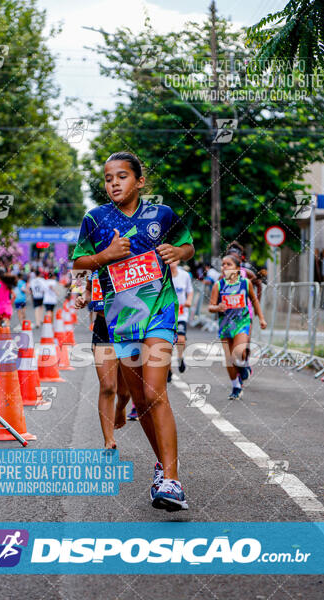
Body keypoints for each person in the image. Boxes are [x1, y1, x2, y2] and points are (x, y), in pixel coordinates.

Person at [72, 151, 194, 511]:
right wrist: (106, 255)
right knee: (140, 400)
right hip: (120, 321)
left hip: (159, 312)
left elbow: (188, 245)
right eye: (109, 178)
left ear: (139, 181)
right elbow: (79, 261)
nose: (114, 183)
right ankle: (163, 466)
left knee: (156, 393)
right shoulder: (94, 219)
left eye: (122, 177)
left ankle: (171, 481)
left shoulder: (162, 214)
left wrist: (178, 252)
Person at [75, 271, 132, 449]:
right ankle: (109, 440)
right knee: (108, 387)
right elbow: (89, 290)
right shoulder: (95, 265)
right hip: (103, 328)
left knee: (125, 392)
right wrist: (83, 298)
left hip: (128, 327)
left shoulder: (131, 257)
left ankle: (121, 407)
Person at [208, 254, 266, 400]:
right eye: (223, 264)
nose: (224, 267)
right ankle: (236, 386)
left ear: (237, 268)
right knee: (229, 359)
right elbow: (210, 306)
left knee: (238, 352)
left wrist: (262, 319)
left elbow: (254, 300)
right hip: (225, 324)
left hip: (242, 322)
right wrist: (217, 307)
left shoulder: (246, 283)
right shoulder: (218, 285)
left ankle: (243, 365)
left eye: (228, 264)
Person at [225, 240, 263, 380]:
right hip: (228, 316)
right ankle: (238, 373)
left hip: (246, 313)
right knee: (232, 349)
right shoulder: (223, 275)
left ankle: (244, 364)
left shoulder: (247, 273)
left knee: (245, 342)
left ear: (240, 259)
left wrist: (255, 302)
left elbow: (258, 284)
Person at [167, 261, 194, 382]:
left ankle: (180, 357)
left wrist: (188, 300)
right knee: (167, 345)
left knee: (181, 339)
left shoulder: (184, 275)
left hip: (181, 314)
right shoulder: (163, 274)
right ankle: (168, 370)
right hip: (166, 315)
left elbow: (190, 291)